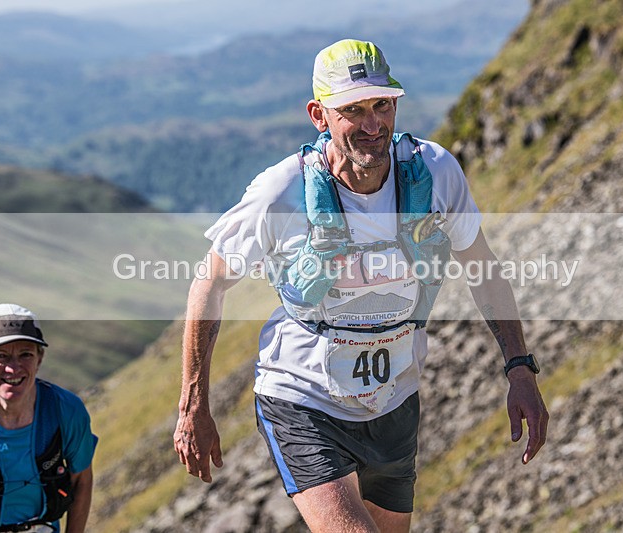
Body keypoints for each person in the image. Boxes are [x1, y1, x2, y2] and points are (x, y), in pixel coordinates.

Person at [174, 39, 548, 532]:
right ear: (319, 115)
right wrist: (193, 403)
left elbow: (484, 268)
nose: (374, 125)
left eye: (383, 105)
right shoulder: (280, 193)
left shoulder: (434, 174)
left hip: (395, 401)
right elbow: (209, 284)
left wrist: (519, 368)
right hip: (303, 398)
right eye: (354, 110)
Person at [0, 304, 97, 533]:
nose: (13, 368)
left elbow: (81, 480)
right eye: (0, 356)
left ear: (39, 359)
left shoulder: (66, 410)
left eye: (25, 354)